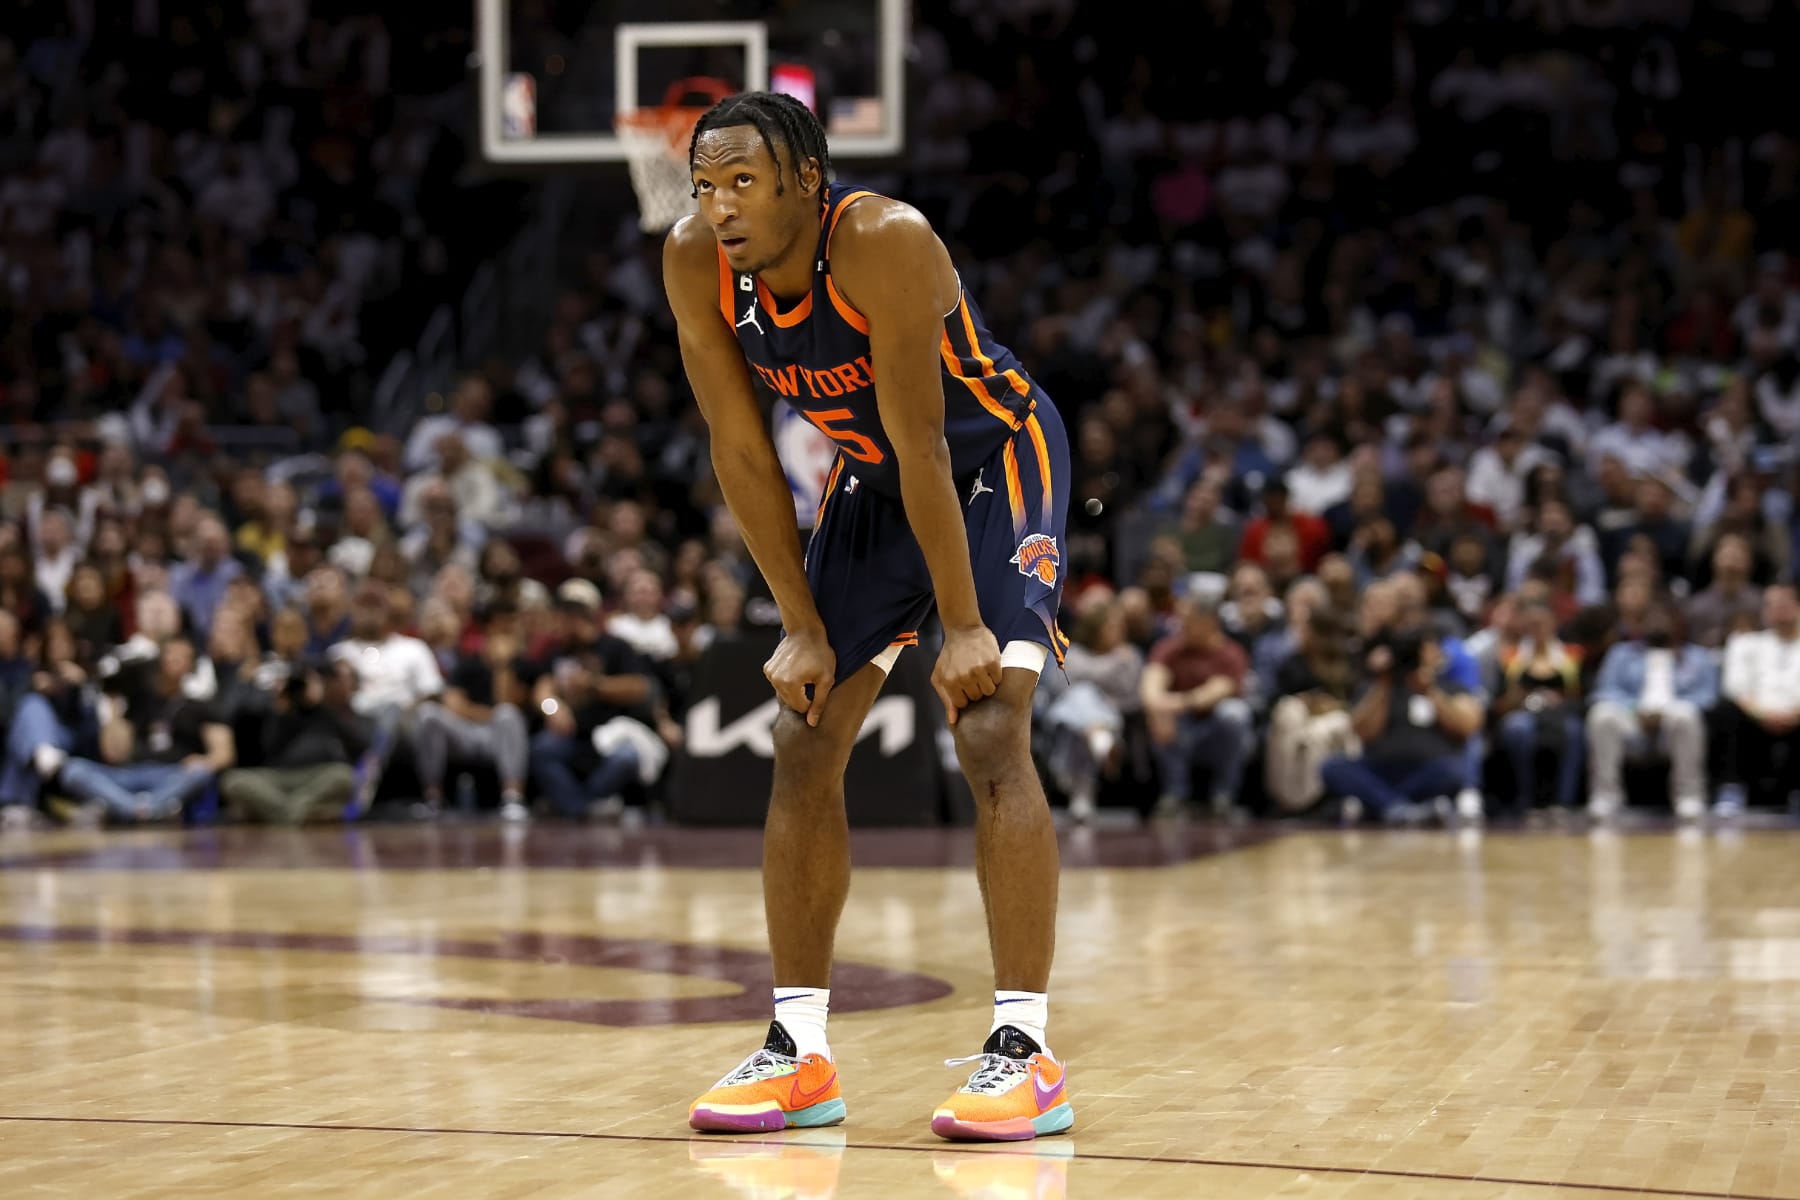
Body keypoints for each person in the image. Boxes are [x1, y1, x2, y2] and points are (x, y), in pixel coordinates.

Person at [664, 92, 1073, 1141]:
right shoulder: (693, 263)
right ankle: (797, 1051)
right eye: (705, 185)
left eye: (742, 181)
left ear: (806, 177)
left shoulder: (882, 240)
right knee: (802, 740)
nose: (719, 206)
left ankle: (1025, 1051)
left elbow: (928, 442)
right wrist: (797, 621)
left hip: (992, 461)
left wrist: (965, 622)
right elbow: (742, 452)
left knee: (989, 725)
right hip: (877, 482)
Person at [1320, 626, 1483, 824]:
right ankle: (1403, 809)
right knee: (1333, 767)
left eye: (1424, 649)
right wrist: (1384, 685)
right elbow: (1362, 732)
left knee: (1454, 771)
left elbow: (1467, 728)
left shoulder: (1449, 686)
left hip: (1427, 771)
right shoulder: (1378, 686)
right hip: (1380, 769)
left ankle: (1384, 805)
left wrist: (1431, 691)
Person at [1585, 605, 1719, 822]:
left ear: (1678, 623)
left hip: (1673, 725)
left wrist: (1665, 712)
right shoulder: (1621, 654)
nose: (1658, 624)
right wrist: (1637, 710)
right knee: (1602, 714)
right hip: (1632, 723)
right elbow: (1605, 690)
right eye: (1651, 619)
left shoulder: (1697, 657)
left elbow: (1708, 696)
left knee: (1685, 713)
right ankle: (1606, 796)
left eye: (1664, 618)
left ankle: (1689, 796)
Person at [1714, 584, 1800, 816]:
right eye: (1772, 604)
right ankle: (1731, 788)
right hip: (1753, 718)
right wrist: (1762, 714)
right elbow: (1735, 687)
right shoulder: (1745, 643)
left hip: (1796, 719)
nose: (1779, 610)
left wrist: (1793, 715)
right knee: (1726, 709)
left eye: (1785, 603)